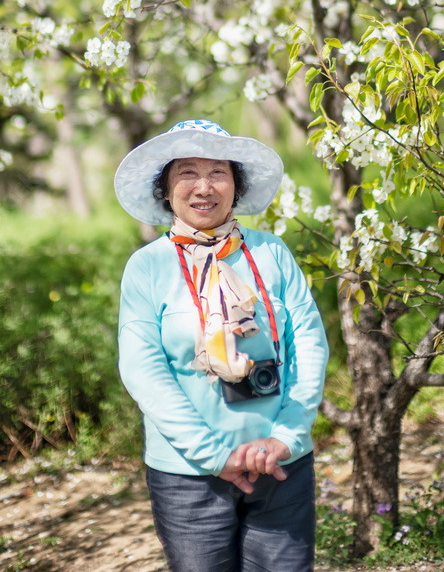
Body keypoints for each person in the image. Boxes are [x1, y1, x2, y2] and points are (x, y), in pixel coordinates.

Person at [115, 119, 329, 572]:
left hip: (282, 464)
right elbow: (142, 369)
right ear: (165, 188)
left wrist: (286, 437)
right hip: (188, 476)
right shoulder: (147, 267)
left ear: (237, 184)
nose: (203, 187)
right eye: (187, 172)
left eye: (218, 172)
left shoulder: (272, 253)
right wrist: (216, 455)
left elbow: (309, 342)